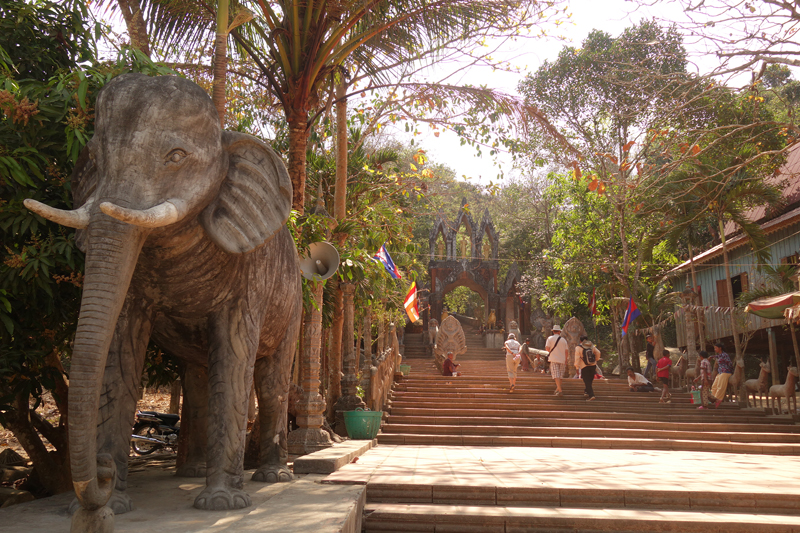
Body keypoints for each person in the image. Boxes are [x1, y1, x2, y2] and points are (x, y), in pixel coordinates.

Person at [575, 335, 602, 401]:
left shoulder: (578, 347)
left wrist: (577, 367)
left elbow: (577, 358)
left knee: (586, 380)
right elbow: (598, 352)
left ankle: (591, 395)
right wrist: (596, 359)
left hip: (584, 366)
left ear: (580, 341)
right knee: (590, 380)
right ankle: (586, 391)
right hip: (593, 365)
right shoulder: (591, 346)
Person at [545, 324, 568, 396]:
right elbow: (566, 351)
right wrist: (566, 359)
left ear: (553, 331)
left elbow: (547, 348)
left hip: (554, 358)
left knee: (556, 375)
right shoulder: (563, 340)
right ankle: (558, 389)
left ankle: (559, 390)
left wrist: (552, 352)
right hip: (562, 359)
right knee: (560, 375)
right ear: (559, 332)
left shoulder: (550, 338)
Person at [710, 342, 733, 408]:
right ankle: (712, 398)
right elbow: (715, 356)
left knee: (720, 386)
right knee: (714, 386)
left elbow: (730, 363)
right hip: (720, 372)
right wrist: (711, 357)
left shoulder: (725, 355)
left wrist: (731, 370)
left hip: (726, 372)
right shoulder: (719, 355)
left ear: (720, 348)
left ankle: (717, 399)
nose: (715, 349)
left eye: (716, 348)